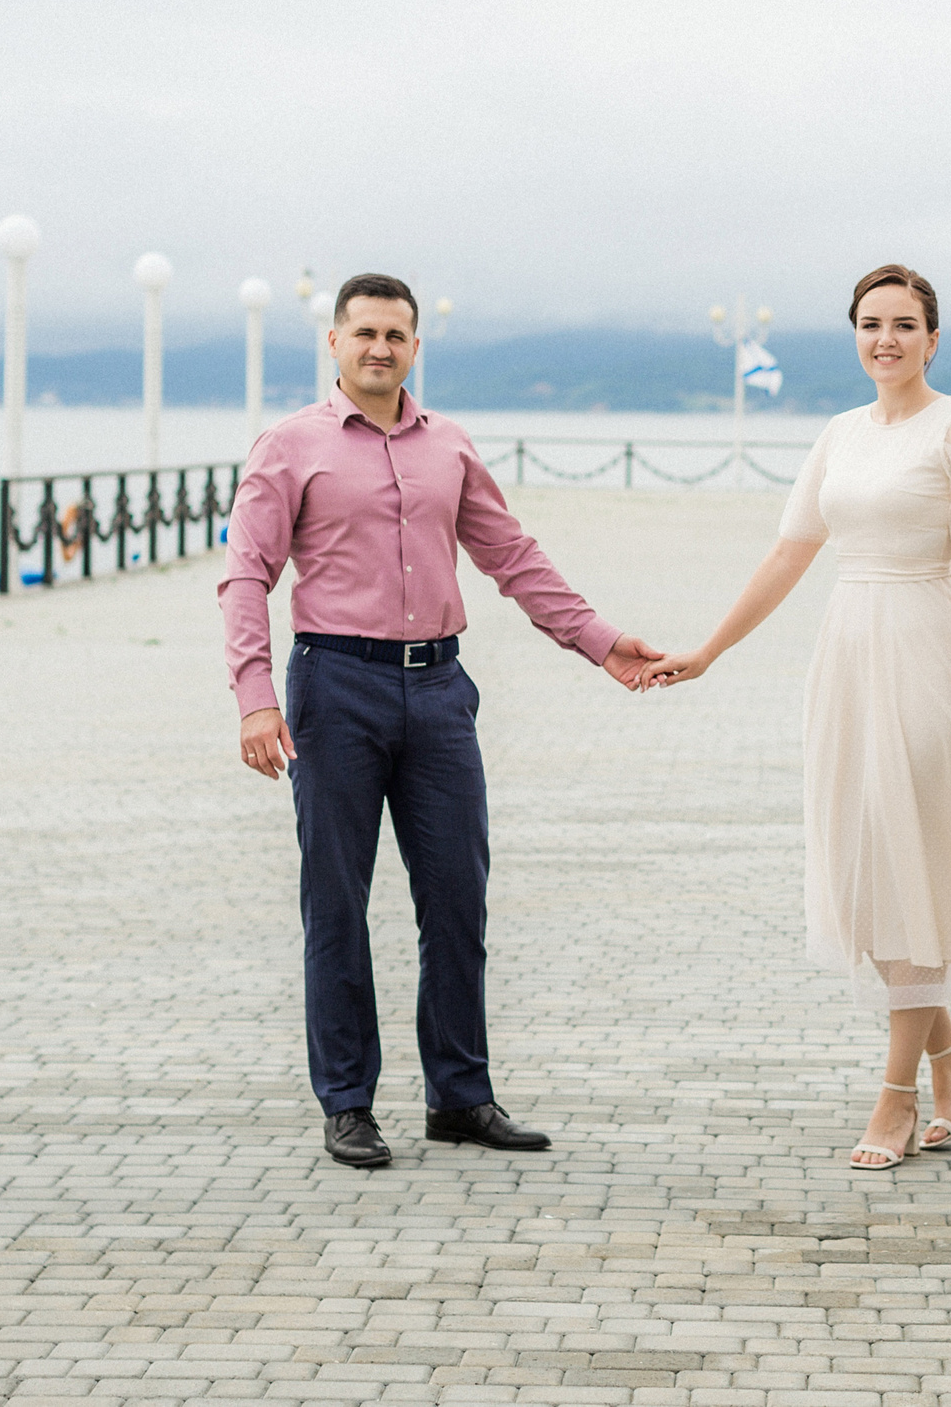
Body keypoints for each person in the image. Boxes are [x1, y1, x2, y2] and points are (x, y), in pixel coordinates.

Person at [220, 272, 666, 1170]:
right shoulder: (290, 445)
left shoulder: (448, 447)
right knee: (337, 904)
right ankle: (348, 1102)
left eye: (397, 335)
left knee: (457, 900)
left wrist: (600, 641)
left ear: (416, 346)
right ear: (336, 345)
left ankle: (459, 1096)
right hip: (333, 686)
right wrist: (255, 695)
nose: (381, 348)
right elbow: (246, 573)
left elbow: (512, 556)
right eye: (365, 334)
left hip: (439, 690)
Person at [647, 265, 951, 1168]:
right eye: (871, 323)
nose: (886, 338)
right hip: (846, 654)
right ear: (856, 333)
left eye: (905, 324)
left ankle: (896, 1096)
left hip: (926, 653)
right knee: (867, 867)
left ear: (933, 337)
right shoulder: (839, 434)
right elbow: (788, 552)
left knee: (909, 858)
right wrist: (710, 648)